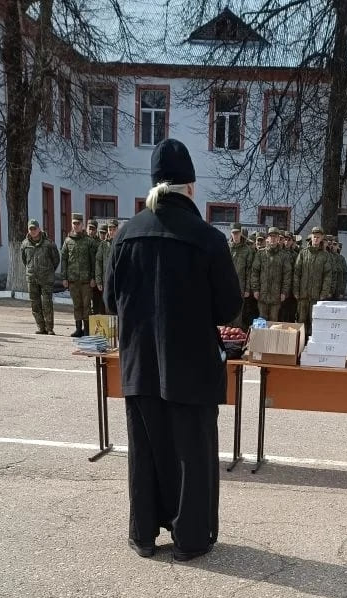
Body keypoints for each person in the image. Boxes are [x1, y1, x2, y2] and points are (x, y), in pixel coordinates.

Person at [104, 138, 241, 562]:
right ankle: (190, 539)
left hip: (139, 364)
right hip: (192, 366)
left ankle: (143, 534)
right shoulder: (208, 238)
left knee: (145, 453)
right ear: (191, 187)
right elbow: (229, 307)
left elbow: (110, 301)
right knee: (192, 455)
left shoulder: (125, 234)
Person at [21, 219, 60, 334]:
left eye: (34, 228)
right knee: (35, 304)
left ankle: (49, 328)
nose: (33, 231)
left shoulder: (49, 244)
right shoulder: (25, 244)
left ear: (39, 229)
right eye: (31, 229)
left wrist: (48, 271)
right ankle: (41, 327)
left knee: (47, 303)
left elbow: (56, 260)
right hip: (32, 278)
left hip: (46, 279)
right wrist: (31, 269)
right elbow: (24, 260)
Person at [293, 225, 332, 337]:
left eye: (318, 237)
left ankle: (311, 344)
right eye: (314, 236)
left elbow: (327, 276)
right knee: (301, 322)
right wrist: (296, 290)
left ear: (322, 238)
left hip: (316, 296)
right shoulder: (303, 253)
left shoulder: (325, 256)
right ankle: (300, 344)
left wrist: (324, 293)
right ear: (311, 237)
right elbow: (297, 273)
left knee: (314, 322)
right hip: (303, 295)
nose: (316, 239)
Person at [61, 212, 94, 337]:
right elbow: (64, 260)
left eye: (78, 223)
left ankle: (87, 330)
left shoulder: (88, 241)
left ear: (82, 225)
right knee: (77, 305)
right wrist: (64, 277)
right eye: (74, 223)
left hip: (86, 280)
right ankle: (78, 329)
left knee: (86, 306)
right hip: (73, 280)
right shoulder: (68, 241)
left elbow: (93, 261)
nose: (76, 226)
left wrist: (93, 277)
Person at [251, 226, 288, 322]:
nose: (273, 238)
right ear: (267, 238)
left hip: (276, 296)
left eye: (275, 236)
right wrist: (255, 289)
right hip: (262, 294)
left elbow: (287, 275)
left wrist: (284, 292)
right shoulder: (261, 254)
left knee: (273, 321)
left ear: (278, 238)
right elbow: (255, 272)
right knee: (262, 321)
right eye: (271, 236)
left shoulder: (283, 255)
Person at [228, 224, 253, 327]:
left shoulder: (247, 250)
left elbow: (249, 270)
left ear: (240, 233)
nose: (236, 235)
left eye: (237, 233)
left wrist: (247, 289)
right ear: (231, 234)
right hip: (227, 285)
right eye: (234, 233)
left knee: (238, 311)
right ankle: (226, 334)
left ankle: (237, 334)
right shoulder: (226, 248)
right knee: (227, 309)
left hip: (240, 285)